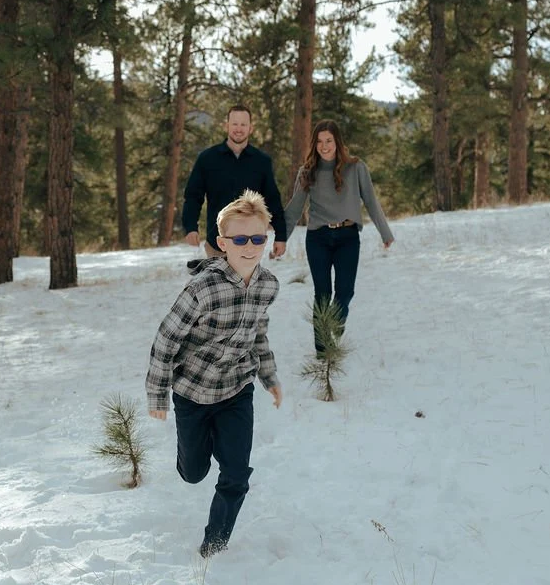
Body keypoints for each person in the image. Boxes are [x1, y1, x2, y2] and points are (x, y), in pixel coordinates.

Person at [146, 189, 282, 558]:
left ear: (266, 238)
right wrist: (157, 396)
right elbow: (166, 338)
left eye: (257, 238)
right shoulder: (203, 288)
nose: (250, 246)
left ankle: (214, 543)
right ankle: (190, 454)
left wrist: (269, 377)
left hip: (238, 389)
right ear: (223, 243)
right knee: (193, 473)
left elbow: (259, 333)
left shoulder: (268, 285)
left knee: (236, 473)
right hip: (193, 392)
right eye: (240, 239)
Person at [283, 119, 394, 352]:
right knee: (322, 293)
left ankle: (335, 322)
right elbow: (295, 208)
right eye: (320, 142)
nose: (324, 146)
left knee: (345, 291)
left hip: (348, 237)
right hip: (318, 239)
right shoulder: (307, 172)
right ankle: (323, 350)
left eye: (329, 141)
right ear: (314, 144)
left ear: (337, 142)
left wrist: (385, 232)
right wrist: (281, 239)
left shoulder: (356, 168)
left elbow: (371, 202)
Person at [181, 105, 287, 269]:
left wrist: (281, 235)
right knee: (221, 291)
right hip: (218, 242)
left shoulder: (261, 161)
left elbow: (272, 199)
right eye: (235, 124)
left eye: (243, 125)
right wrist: (190, 227)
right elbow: (193, 196)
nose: (239, 129)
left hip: (251, 243)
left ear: (250, 128)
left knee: (245, 291)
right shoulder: (207, 159)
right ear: (227, 126)